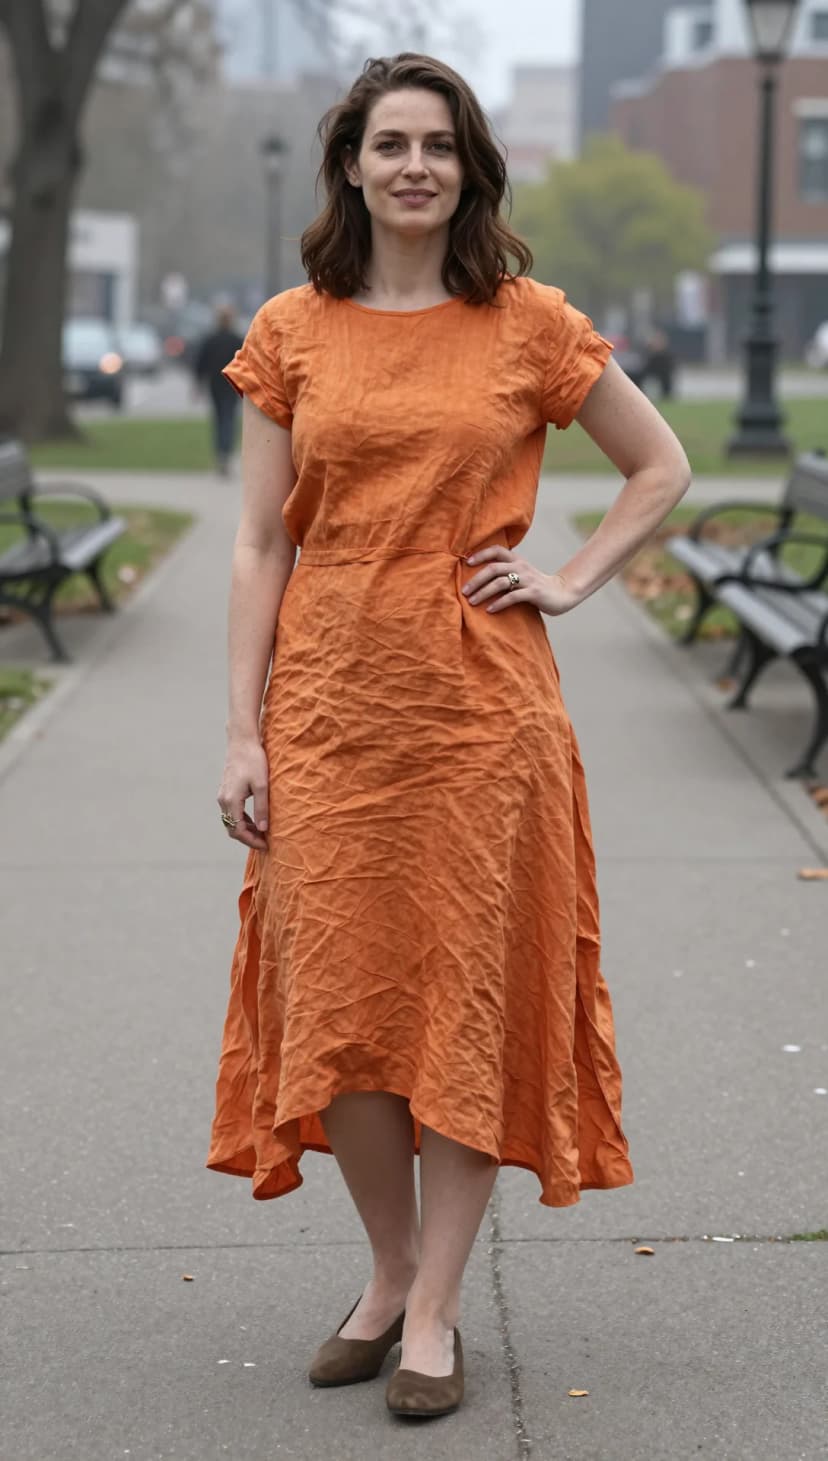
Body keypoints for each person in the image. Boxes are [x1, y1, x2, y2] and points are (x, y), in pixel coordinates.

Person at [207, 53, 691, 1422]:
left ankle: (433, 1313)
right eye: (388, 144)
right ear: (351, 167)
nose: (413, 165)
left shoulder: (527, 322)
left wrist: (573, 576)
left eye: (438, 144)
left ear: (471, 166)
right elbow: (255, 542)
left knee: (463, 998)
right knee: (347, 1007)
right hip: (330, 710)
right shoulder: (293, 326)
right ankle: (386, 1267)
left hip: (484, 716)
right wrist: (240, 733)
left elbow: (660, 467)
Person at [193, 304, 243, 474]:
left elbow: (201, 364)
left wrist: (198, 384)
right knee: (228, 418)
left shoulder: (211, 340)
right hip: (232, 384)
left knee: (219, 419)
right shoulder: (237, 340)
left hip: (215, 384)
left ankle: (220, 454)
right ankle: (226, 454)